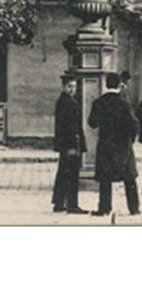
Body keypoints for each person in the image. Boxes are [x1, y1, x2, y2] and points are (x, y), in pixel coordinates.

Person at [88, 72, 141, 216]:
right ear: (119, 85)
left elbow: (92, 123)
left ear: (106, 84)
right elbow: (134, 125)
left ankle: (104, 208)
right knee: (129, 178)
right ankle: (134, 208)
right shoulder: (124, 103)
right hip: (123, 145)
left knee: (105, 179)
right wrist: (130, 140)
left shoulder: (99, 102)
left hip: (106, 144)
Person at [52, 75, 88, 213]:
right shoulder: (67, 102)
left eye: (74, 86)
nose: (72, 89)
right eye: (69, 86)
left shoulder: (64, 101)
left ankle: (59, 202)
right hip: (71, 143)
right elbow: (68, 127)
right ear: (63, 87)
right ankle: (72, 205)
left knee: (63, 173)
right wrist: (73, 146)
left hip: (67, 143)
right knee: (72, 174)